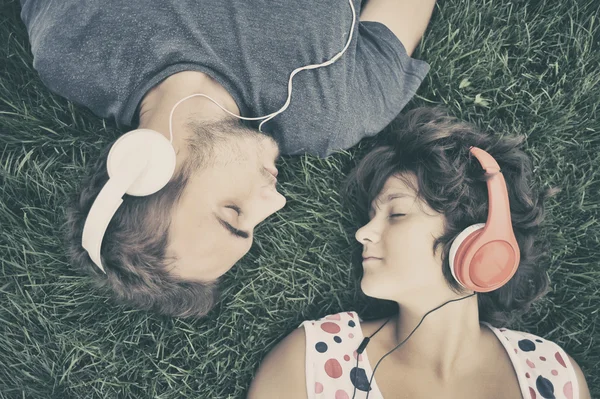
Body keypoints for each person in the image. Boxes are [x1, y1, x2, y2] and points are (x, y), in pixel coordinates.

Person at [18, 0, 436, 317]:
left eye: (233, 213)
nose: (275, 202)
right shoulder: (331, 110)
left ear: (144, 165)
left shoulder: (71, 45)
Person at [248, 108, 591, 399]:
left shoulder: (555, 376)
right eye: (371, 216)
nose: (363, 233)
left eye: (396, 214)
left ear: (479, 240)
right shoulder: (311, 360)